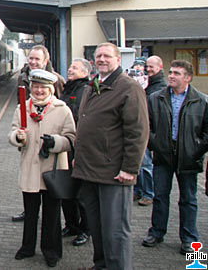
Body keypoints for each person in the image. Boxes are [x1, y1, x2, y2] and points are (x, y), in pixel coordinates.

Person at [73, 42, 149, 270]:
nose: (102, 59)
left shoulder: (129, 88)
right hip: (90, 169)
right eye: (99, 56)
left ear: (118, 59)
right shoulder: (93, 86)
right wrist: (79, 157)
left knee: (115, 230)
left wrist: (130, 168)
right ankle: (101, 265)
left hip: (114, 172)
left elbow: (138, 132)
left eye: (107, 56)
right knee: (97, 227)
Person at [9, 69, 76, 268]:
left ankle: (51, 251)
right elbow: (13, 131)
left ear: (50, 89)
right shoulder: (23, 108)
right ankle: (27, 247)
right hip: (30, 169)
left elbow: (72, 139)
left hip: (52, 170)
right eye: (36, 87)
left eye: (43, 88)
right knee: (30, 212)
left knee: (52, 214)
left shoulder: (62, 109)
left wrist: (55, 142)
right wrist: (17, 137)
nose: (39, 91)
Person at [142, 60, 208, 254]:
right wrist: (155, 144)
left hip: (189, 157)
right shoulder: (155, 98)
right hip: (163, 156)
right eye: (170, 72)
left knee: (188, 199)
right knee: (160, 196)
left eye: (177, 73)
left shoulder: (202, 101)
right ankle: (157, 232)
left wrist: (196, 150)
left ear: (188, 78)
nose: (171, 76)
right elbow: (147, 126)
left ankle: (189, 238)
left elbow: (206, 132)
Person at [12, 45, 65, 222]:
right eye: (31, 58)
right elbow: (20, 106)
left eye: (37, 59)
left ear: (45, 60)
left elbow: (61, 108)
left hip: (50, 143)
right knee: (30, 179)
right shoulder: (22, 78)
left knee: (52, 184)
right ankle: (29, 211)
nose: (33, 62)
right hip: (29, 140)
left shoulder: (56, 79)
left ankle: (60, 221)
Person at [59, 58, 91, 247]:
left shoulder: (86, 91)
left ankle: (85, 229)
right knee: (66, 191)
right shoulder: (68, 89)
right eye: (70, 66)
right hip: (65, 146)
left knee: (81, 194)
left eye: (75, 68)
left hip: (79, 148)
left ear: (85, 73)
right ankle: (71, 225)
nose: (70, 69)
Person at [134, 55, 167, 206]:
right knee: (140, 162)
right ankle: (139, 190)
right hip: (142, 126)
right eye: (147, 66)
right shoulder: (146, 82)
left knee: (146, 163)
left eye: (151, 67)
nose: (148, 69)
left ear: (160, 67)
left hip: (149, 128)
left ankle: (148, 193)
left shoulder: (160, 86)